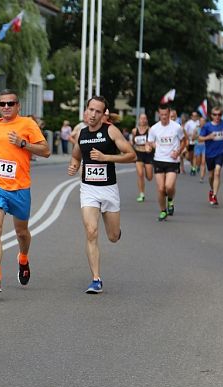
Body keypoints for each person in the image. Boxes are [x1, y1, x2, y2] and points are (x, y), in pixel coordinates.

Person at [0, 89, 50, 293]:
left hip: (20, 188)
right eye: (2, 104)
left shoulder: (27, 124)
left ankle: (23, 258)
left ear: (18, 106)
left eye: (10, 103)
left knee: (21, 232)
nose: (6, 107)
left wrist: (23, 143)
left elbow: (46, 151)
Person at [68, 96, 136, 294]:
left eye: (98, 111)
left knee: (113, 237)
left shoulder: (110, 131)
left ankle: (116, 232)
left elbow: (131, 154)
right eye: (90, 110)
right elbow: (75, 155)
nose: (93, 114)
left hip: (108, 189)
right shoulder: (81, 133)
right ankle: (96, 279)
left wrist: (107, 157)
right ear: (85, 111)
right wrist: (74, 165)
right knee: (91, 231)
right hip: (88, 189)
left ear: (103, 114)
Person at [146, 104, 187, 221]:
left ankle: (170, 199)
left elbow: (184, 141)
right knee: (160, 189)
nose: (164, 117)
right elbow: (150, 142)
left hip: (172, 161)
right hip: (158, 160)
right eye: (162, 114)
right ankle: (163, 211)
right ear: (159, 114)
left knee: (168, 186)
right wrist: (150, 146)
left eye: (166, 115)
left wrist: (178, 152)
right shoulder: (154, 128)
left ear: (169, 114)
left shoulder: (176, 127)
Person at [198, 107, 223, 206]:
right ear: (211, 115)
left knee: (217, 172)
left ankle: (214, 195)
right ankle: (211, 190)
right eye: (215, 114)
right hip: (210, 154)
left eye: (219, 114)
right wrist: (208, 137)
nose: (217, 116)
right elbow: (200, 139)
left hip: (221, 152)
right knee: (211, 176)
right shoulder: (207, 126)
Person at [130, 113, 153, 202]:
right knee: (140, 174)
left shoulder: (150, 130)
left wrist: (149, 146)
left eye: (144, 118)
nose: (143, 120)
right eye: (141, 118)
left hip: (148, 154)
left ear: (146, 120)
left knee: (149, 177)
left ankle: (149, 176)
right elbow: (132, 142)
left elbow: (153, 141)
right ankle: (141, 193)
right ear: (138, 120)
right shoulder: (134, 131)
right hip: (138, 153)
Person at [193, 117, 207, 183]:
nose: (202, 122)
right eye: (201, 121)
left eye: (203, 121)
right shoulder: (196, 129)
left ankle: (201, 177)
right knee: (198, 160)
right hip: (197, 146)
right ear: (199, 122)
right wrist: (197, 136)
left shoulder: (207, 129)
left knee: (203, 162)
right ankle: (198, 166)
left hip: (205, 146)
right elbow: (192, 138)